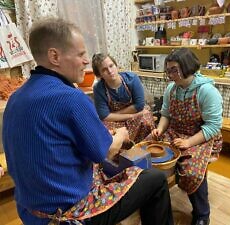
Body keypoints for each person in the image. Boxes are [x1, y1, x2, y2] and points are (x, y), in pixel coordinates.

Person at [3, 18, 173, 225]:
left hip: (30, 211)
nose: (86, 61)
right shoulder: (71, 97)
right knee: (155, 179)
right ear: (54, 56)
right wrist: (119, 135)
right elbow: (106, 152)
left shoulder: (15, 98)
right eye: (81, 54)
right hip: (66, 215)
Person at [150, 48, 223, 225]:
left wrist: (188, 142)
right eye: (168, 70)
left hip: (199, 135)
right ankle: (153, 204)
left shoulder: (206, 91)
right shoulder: (171, 89)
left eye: (174, 69)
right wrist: (159, 129)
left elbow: (213, 126)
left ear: (188, 67)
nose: (170, 74)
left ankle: (202, 214)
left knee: (191, 171)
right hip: (175, 131)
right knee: (146, 151)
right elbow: (166, 114)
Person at [92, 53, 155, 143]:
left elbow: (139, 105)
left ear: (116, 65)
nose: (110, 71)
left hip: (132, 115)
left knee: (146, 121)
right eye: (104, 70)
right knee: (103, 130)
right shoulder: (98, 88)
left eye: (111, 66)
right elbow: (104, 116)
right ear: (99, 75)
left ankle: (143, 148)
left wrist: (115, 114)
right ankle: (120, 155)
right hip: (116, 120)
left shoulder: (132, 79)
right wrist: (132, 116)